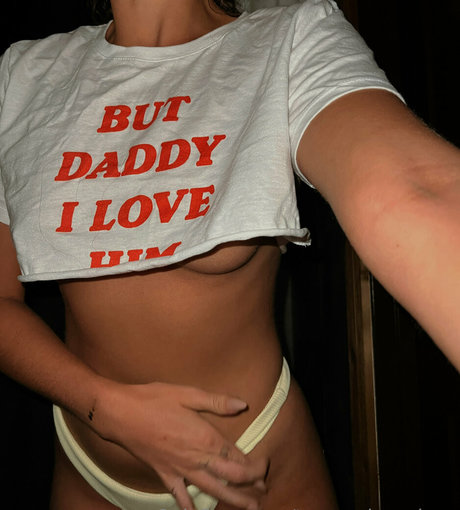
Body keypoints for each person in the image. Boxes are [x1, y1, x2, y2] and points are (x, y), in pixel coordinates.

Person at [0, 1, 459, 509]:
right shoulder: (24, 73)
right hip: (90, 468)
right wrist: (101, 407)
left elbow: (415, 187)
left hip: (256, 460)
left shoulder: (288, 40)